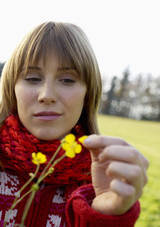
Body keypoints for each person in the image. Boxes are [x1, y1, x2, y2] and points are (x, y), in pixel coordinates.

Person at [0, 22, 149, 227]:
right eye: (33, 78)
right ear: (11, 89)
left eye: (68, 80)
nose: (47, 95)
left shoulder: (100, 186)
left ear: (88, 94)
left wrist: (105, 217)